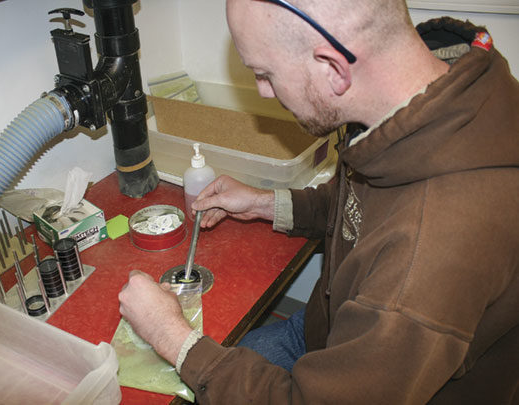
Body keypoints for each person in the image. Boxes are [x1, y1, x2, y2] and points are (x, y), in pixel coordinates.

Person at [119, 0, 519, 403]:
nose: (263, 91)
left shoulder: (427, 256)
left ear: (333, 68)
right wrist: (264, 202)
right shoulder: (419, 101)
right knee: (233, 351)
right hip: (333, 329)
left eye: (264, 74)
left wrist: (170, 335)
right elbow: (362, 206)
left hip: (365, 378)